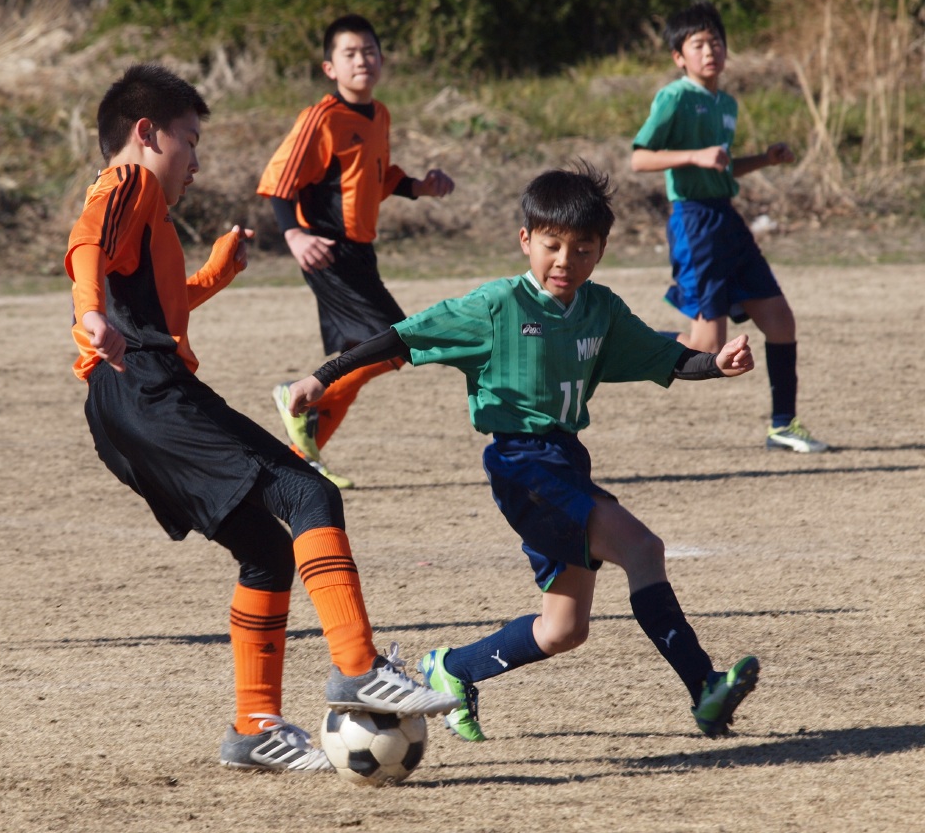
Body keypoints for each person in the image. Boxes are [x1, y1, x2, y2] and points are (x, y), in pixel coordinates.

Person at [65, 63, 457, 773]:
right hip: (146, 389)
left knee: (267, 552)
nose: (195, 160)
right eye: (189, 140)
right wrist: (89, 312)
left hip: (122, 404)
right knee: (309, 492)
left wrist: (214, 275)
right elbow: (85, 242)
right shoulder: (128, 182)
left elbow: (152, 305)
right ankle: (358, 667)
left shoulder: (146, 211)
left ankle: (254, 728)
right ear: (146, 132)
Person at [285, 164, 761, 742]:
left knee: (564, 630)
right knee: (643, 549)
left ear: (601, 250)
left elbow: (666, 357)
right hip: (523, 466)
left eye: (582, 249)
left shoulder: (600, 310)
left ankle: (453, 668)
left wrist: (715, 363)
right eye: (552, 245)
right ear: (525, 240)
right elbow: (403, 336)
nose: (565, 261)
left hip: (566, 462)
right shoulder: (496, 305)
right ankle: (705, 687)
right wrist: (324, 376)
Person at [257, 13, 455, 488]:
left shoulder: (378, 114)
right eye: (349, 53)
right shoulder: (321, 118)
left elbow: (375, 177)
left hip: (361, 252)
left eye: (369, 51)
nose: (362, 60)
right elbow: (279, 181)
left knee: (356, 355)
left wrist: (419, 186)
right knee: (394, 346)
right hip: (327, 250)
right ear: (330, 68)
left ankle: (300, 460)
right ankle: (297, 396)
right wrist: (294, 235)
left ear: (382, 60)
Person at [632, 0, 826, 453]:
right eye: (698, 44)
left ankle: (783, 426)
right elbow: (640, 158)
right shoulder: (674, 98)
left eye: (716, 41)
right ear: (679, 56)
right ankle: (621, 341)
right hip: (694, 221)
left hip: (726, 218)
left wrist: (764, 159)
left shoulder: (727, 104)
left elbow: (721, 167)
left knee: (780, 320)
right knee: (706, 346)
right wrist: (695, 156)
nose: (710, 50)